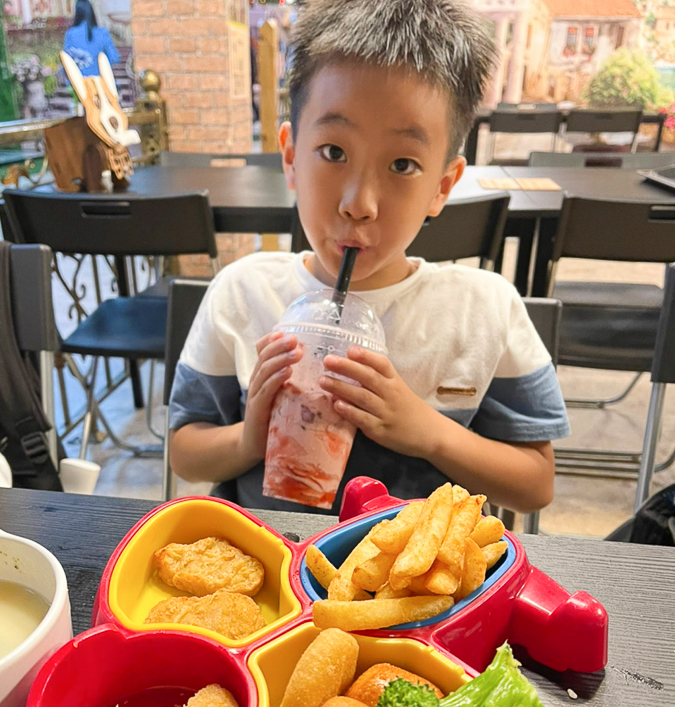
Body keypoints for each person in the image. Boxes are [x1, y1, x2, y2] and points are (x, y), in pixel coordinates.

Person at [169, 0, 570, 515]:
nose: (359, 203)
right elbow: (186, 451)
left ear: (442, 187)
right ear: (291, 156)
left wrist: (427, 431)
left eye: (403, 163)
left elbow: (535, 485)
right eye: (334, 152)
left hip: (410, 589)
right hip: (268, 569)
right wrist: (251, 437)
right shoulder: (243, 291)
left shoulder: (483, 310)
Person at [63, 0, 120, 78]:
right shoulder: (103, 33)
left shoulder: (70, 34)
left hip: (77, 84)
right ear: (92, 12)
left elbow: (65, 62)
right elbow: (115, 58)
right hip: (100, 84)